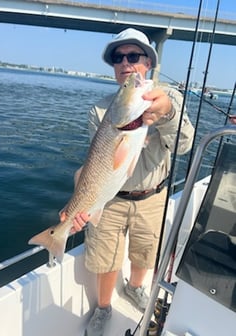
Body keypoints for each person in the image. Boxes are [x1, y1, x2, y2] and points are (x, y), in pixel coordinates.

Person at [61, 28, 194, 336]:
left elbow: (185, 145)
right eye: (118, 58)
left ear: (149, 62)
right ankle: (103, 307)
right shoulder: (100, 110)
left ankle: (135, 288)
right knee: (106, 257)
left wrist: (167, 114)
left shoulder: (169, 97)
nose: (125, 64)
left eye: (133, 56)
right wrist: (80, 206)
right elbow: (96, 165)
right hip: (112, 197)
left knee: (145, 252)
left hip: (153, 195)